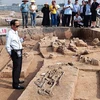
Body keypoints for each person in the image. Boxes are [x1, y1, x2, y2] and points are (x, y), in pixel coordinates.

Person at [6, 19, 24, 89]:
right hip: (15, 52)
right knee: (16, 68)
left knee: (19, 67)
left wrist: (22, 39)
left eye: (18, 25)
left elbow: (18, 41)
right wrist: (11, 54)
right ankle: (15, 84)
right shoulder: (9, 34)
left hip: (19, 50)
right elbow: (7, 45)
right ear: (12, 26)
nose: (17, 27)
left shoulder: (15, 32)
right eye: (16, 26)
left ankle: (17, 80)